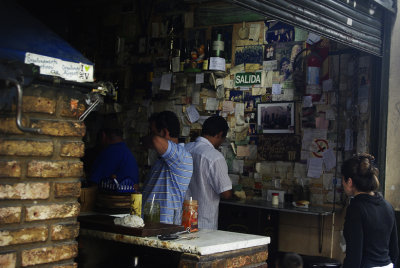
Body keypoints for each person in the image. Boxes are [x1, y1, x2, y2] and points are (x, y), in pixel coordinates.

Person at [341, 153, 398, 268]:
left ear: (350, 182)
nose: (342, 183)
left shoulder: (355, 209)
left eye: (342, 179)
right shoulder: (388, 206)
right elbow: (395, 251)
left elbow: (354, 256)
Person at [141, 111, 193, 224]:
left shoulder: (181, 156)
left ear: (164, 132)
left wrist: (146, 140)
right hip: (150, 224)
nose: (149, 135)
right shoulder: (161, 159)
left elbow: (155, 140)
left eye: (152, 132)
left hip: (164, 227)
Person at [185, 115, 232, 230]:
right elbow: (226, 193)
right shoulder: (215, 157)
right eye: (223, 139)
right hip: (204, 224)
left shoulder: (185, 148)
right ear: (220, 135)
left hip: (182, 219)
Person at [89, 115, 139, 190]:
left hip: (116, 200)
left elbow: (93, 183)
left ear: (103, 136)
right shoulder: (125, 151)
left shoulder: (110, 152)